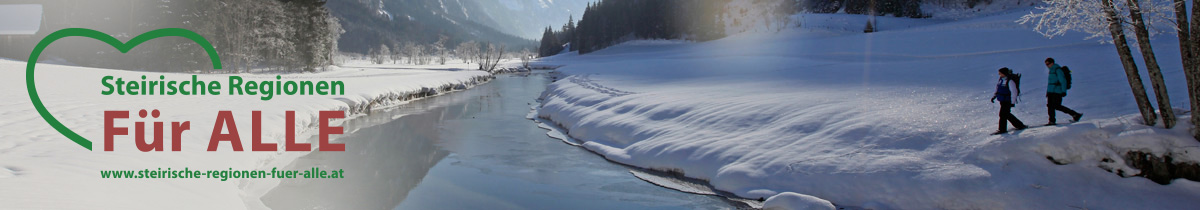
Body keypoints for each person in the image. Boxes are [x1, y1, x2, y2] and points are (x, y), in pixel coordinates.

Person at [1044, 57, 1082, 125]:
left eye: (1048, 63)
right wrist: (1047, 92)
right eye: (1046, 64)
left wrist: (1063, 91)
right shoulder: (1051, 70)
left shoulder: (1057, 70)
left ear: (1052, 63)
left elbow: (1063, 81)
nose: (1047, 65)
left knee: (1056, 106)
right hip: (1051, 91)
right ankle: (1052, 121)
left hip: (1057, 91)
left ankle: (1075, 114)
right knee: (1050, 106)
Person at [992, 67, 1027, 135]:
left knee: (1003, 114)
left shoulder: (1010, 81)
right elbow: (997, 88)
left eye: (1000, 73)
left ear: (1004, 73)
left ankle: (1003, 129)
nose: (999, 74)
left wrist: (1012, 102)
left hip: (1007, 100)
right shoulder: (1001, 80)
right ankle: (1019, 125)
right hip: (1002, 100)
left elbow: (1014, 92)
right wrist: (994, 96)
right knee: (1006, 114)